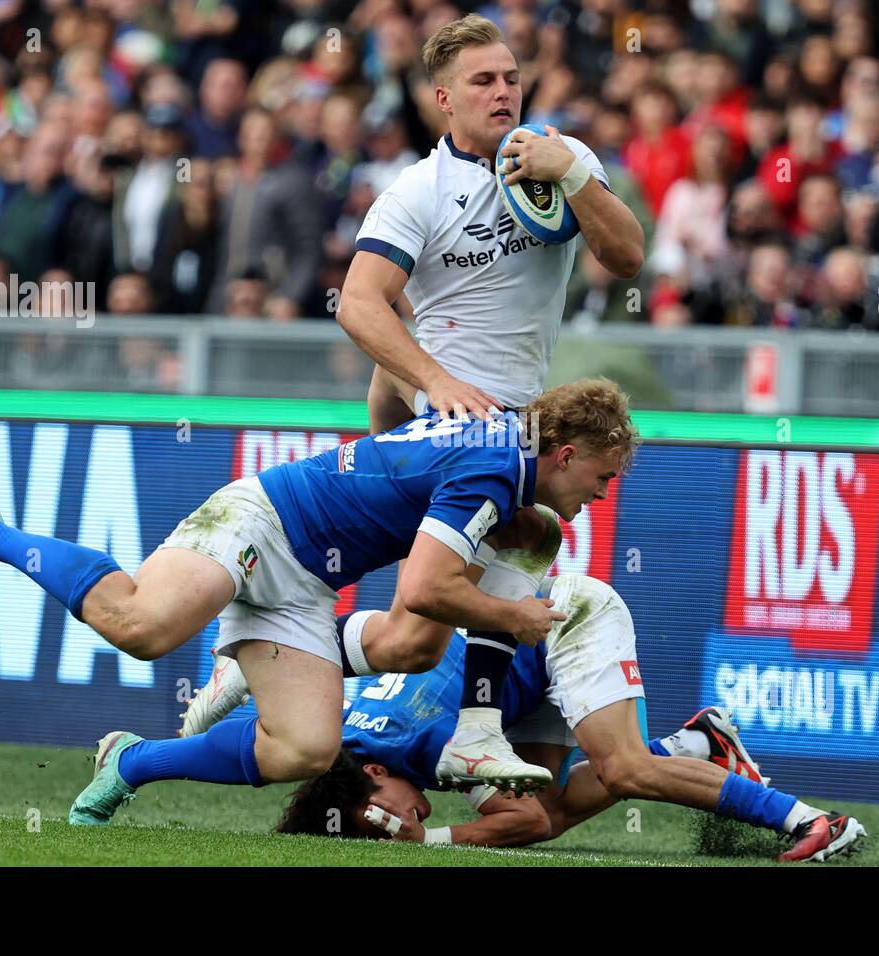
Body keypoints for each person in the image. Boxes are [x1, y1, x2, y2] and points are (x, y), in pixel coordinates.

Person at [185, 14, 646, 790]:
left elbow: (627, 255)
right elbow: (360, 304)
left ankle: (264, 663)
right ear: (443, 98)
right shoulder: (417, 190)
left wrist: (569, 170)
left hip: (511, 421)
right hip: (455, 423)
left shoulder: (560, 158)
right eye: (482, 81)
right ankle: (476, 731)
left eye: (510, 77)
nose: (502, 92)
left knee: (414, 642)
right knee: (530, 533)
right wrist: (431, 383)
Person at [0, 379, 636, 818]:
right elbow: (424, 587)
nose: (602, 495)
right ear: (563, 454)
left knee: (305, 749)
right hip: (263, 521)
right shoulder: (495, 468)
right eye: (601, 477)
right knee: (140, 626)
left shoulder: (502, 449)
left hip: (305, 580)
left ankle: (136, 762)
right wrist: (515, 617)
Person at [272, 574, 865, 863]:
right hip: (509, 664)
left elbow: (519, 822)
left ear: (373, 772)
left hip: (563, 619)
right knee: (551, 809)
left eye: (381, 817)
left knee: (624, 770)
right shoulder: (335, 735)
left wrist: (430, 838)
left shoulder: (425, 744)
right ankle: (696, 745)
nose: (399, 822)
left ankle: (814, 821)